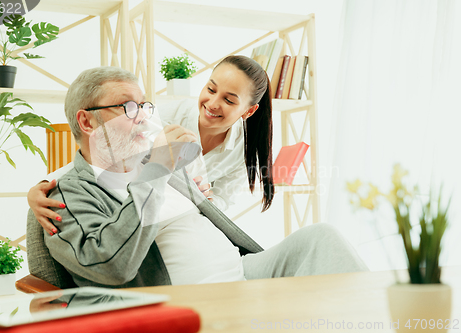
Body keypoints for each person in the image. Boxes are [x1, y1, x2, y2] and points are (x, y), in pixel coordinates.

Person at [29, 66, 368, 289]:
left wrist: (163, 168)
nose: (144, 118)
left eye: (144, 106)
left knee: (321, 238)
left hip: (243, 275)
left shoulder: (156, 163)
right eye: (127, 107)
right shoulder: (66, 195)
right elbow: (111, 267)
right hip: (195, 301)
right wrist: (158, 167)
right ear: (87, 122)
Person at [28, 55, 275, 235]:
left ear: (249, 111)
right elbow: (101, 157)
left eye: (229, 100)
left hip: (191, 225)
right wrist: (43, 186)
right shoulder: (160, 117)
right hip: (144, 216)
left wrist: (200, 199)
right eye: (210, 89)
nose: (212, 103)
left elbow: (219, 208)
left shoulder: (245, 149)